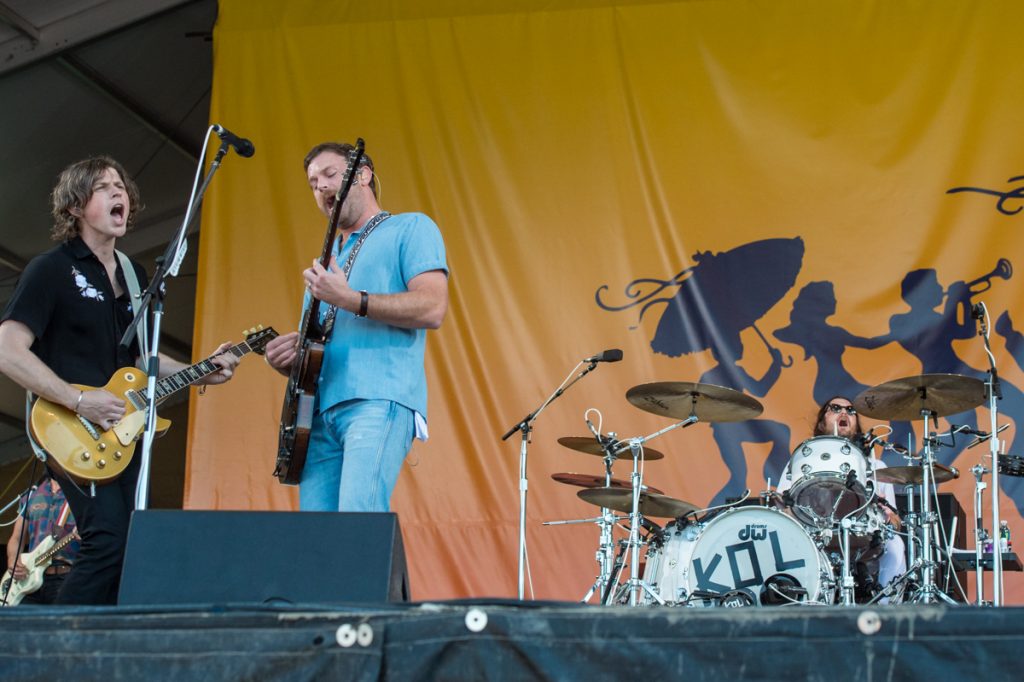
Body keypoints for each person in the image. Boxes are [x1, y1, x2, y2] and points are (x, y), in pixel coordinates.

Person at [0, 156, 241, 605]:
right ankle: (62, 642)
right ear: (75, 207)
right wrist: (78, 401)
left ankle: (101, 639)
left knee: (131, 544)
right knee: (107, 539)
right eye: (103, 187)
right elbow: (8, 350)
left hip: (121, 432)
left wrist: (202, 370)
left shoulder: (135, 276)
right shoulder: (51, 269)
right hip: (71, 427)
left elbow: (141, 361)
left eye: (121, 186)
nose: (119, 193)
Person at [264, 141, 449, 512]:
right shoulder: (324, 263)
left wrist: (351, 299)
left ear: (363, 175)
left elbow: (433, 307)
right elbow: (316, 349)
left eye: (330, 174)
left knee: (357, 521)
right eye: (313, 183)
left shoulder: (410, 227)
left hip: (377, 399)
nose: (321, 186)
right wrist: (289, 361)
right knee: (319, 538)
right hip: (317, 416)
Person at [776, 396, 906, 601]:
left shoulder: (877, 467)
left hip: (864, 543)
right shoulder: (801, 461)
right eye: (835, 408)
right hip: (813, 537)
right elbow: (782, 509)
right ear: (822, 423)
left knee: (895, 544)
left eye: (851, 410)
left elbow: (896, 524)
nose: (844, 412)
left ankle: (887, 609)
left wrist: (888, 516)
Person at [4, 474, 80, 605]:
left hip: (66, 577)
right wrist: (12, 560)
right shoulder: (31, 494)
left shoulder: (81, 494)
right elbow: (16, 538)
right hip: (29, 579)